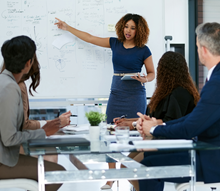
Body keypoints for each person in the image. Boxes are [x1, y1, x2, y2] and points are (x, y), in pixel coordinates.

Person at [55, 13, 155, 189]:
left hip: (136, 93)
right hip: (117, 92)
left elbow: (152, 73)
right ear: (121, 27)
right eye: (126, 26)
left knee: (137, 133)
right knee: (110, 134)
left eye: (132, 28)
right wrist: (67, 27)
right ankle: (111, 177)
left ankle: (132, 172)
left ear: (139, 30)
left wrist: (144, 78)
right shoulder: (115, 43)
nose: (128, 31)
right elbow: (90, 38)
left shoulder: (143, 50)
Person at [136, 22, 220, 191]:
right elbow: (194, 117)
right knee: (149, 160)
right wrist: (160, 125)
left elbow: (190, 127)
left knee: (147, 166)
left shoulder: (216, 83)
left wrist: (153, 130)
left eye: (197, 47)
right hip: (206, 151)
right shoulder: (215, 78)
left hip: (211, 159)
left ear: (203, 49)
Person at [114, 51, 200, 191]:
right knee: (125, 165)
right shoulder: (165, 92)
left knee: (133, 167)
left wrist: (134, 124)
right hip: (157, 140)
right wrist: (129, 121)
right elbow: (153, 118)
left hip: (174, 146)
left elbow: (170, 121)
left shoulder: (180, 93)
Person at [0, 35, 65, 191]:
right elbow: (9, 139)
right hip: (3, 161)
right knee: (57, 174)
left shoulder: (4, 80)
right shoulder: (9, 87)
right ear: (28, 63)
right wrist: (43, 132)